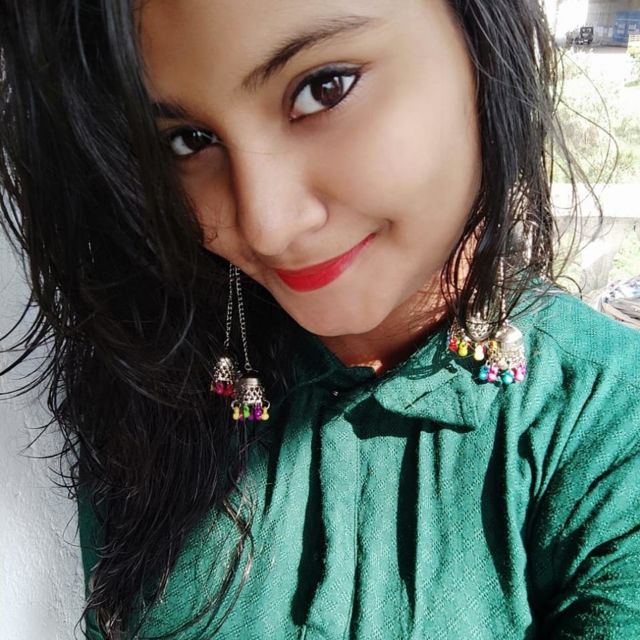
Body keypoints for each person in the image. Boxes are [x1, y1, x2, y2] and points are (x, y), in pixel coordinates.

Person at [0, 1, 638, 638]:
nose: (266, 226)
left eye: (324, 88)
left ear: (482, 46)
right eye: (187, 140)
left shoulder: (611, 423)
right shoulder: (153, 371)